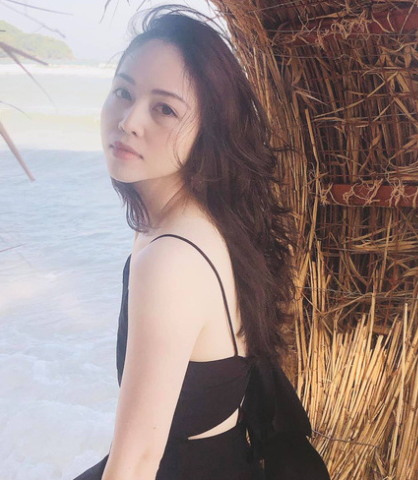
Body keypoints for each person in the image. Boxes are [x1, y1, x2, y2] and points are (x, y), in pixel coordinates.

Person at [73, 5, 330, 480]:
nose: (129, 121)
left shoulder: (171, 257)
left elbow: (136, 462)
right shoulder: (206, 217)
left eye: (164, 108)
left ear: (207, 130)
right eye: (123, 92)